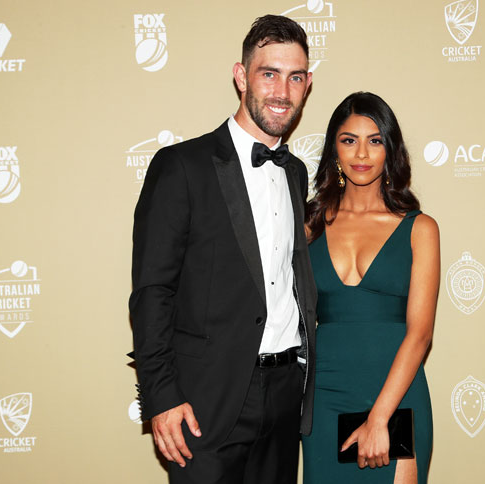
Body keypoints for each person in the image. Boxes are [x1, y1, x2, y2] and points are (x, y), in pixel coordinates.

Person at [128, 15, 317, 484]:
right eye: (268, 73)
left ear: (308, 85)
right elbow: (153, 291)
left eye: (295, 77)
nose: (281, 91)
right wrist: (162, 395)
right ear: (241, 75)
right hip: (204, 401)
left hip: (283, 394)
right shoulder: (181, 166)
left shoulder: (295, 174)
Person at [301, 92, 439, 484]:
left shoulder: (420, 229)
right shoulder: (310, 225)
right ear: (334, 150)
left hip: (396, 398)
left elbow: (421, 334)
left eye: (374, 140)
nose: (361, 153)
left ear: (389, 149)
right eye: (349, 140)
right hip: (324, 398)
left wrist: (379, 418)